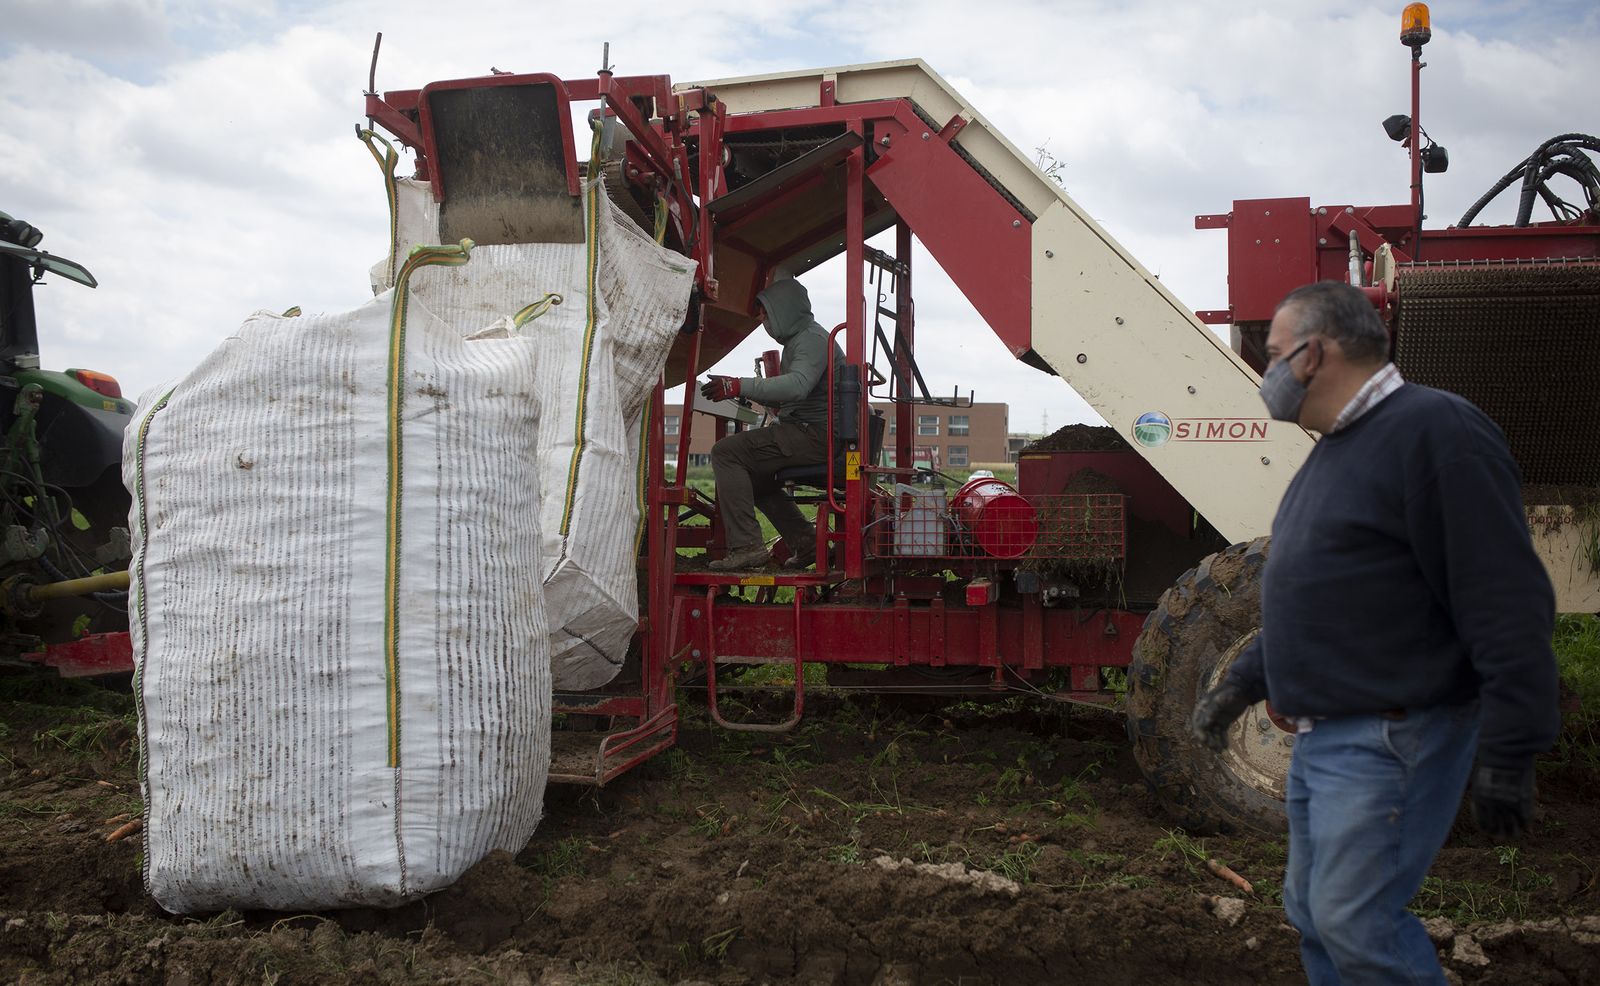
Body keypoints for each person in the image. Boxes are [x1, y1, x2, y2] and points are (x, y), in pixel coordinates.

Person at [1188, 280, 1560, 985]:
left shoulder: (1438, 433)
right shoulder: (1338, 448)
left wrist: (1512, 749)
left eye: (1269, 354)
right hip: (1329, 735)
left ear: (1312, 354)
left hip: (1393, 733)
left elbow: (1505, 600)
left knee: (1354, 920)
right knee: (1313, 910)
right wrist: (1244, 681)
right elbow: (1333, 595)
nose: (1262, 371)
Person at [700, 277, 843, 571]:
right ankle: (805, 542)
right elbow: (802, 394)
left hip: (817, 436)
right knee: (755, 477)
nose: (764, 322)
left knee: (726, 453)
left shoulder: (810, 340)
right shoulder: (804, 340)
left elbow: (798, 386)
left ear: (784, 310)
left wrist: (739, 386)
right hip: (817, 432)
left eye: (766, 315)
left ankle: (747, 547)